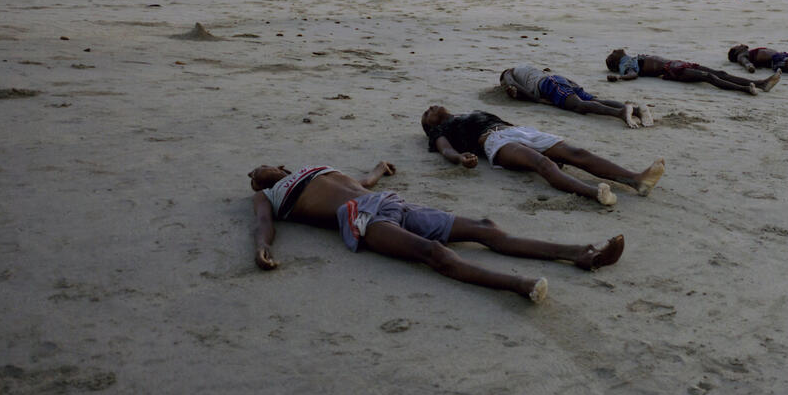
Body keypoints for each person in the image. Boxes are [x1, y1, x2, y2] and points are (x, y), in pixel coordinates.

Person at [249, 161, 626, 304]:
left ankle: (580, 253)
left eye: (259, 168)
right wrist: (263, 246)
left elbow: (361, 181)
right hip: (360, 220)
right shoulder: (269, 195)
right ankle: (519, 285)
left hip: (388, 201)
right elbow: (263, 223)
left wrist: (379, 169)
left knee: (485, 228)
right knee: (434, 253)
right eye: (253, 177)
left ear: (281, 166)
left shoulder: (315, 168)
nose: (255, 174)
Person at [421, 106, 664, 206]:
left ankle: (636, 180)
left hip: (518, 131)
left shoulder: (466, 114)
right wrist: (459, 158)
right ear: (430, 127)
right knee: (541, 163)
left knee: (575, 153)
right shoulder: (440, 132)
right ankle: (595, 193)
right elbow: (446, 150)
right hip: (495, 141)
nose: (430, 108)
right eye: (426, 114)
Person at [500, 63, 654, 128]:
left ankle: (620, 113)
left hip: (549, 84)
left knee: (579, 106)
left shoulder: (509, 73)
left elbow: (512, 84)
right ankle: (636, 110)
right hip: (560, 80)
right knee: (595, 100)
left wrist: (537, 100)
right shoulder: (527, 69)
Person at [604, 49, 779, 95]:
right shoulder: (626, 63)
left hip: (678, 65)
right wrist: (619, 77)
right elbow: (632, 74)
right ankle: (746, 88)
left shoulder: (630, 58)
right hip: (673, 71)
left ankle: (760, 84)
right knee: (709, 77)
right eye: (612, 53)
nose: (614, 50)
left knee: (719, 73)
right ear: (615, 60)